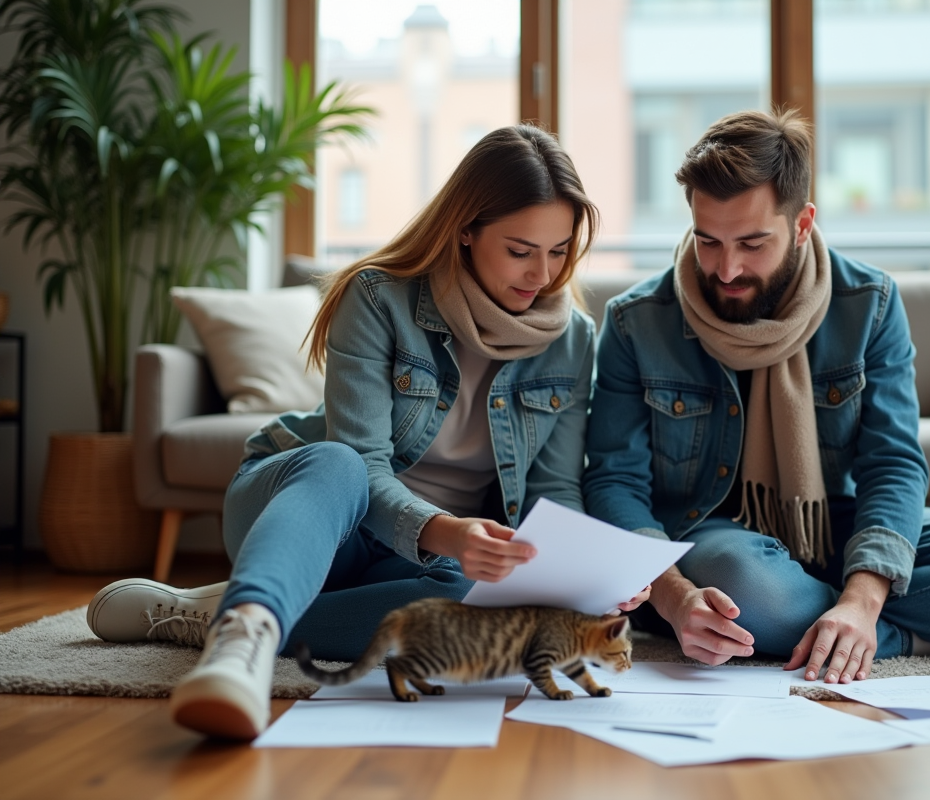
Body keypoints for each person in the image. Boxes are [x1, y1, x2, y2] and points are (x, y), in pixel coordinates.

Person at [87, 125, 646, 740]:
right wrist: (443, 528)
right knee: (339, 464)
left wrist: (589, 574)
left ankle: (222, 613)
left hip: (425, 561)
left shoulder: (573, 339)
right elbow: (363, 461)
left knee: (470, 604)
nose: (543, 273)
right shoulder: (379, 297)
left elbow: (554, 492)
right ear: (466, 229)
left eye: (560, 250)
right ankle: (239, 646)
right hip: (317, 513)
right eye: (520, 250)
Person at [583, 109, 930, 684]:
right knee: (742, 585)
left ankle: (863, 627)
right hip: (711, 532)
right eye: (708, 242)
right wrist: (676, 599)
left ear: (802, 224)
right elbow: (613, 481)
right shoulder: (636, 322)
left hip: (839, 524)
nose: (726, 268)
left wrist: (863, 600)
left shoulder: (870, 305)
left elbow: (894, 463)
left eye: (752, 243)